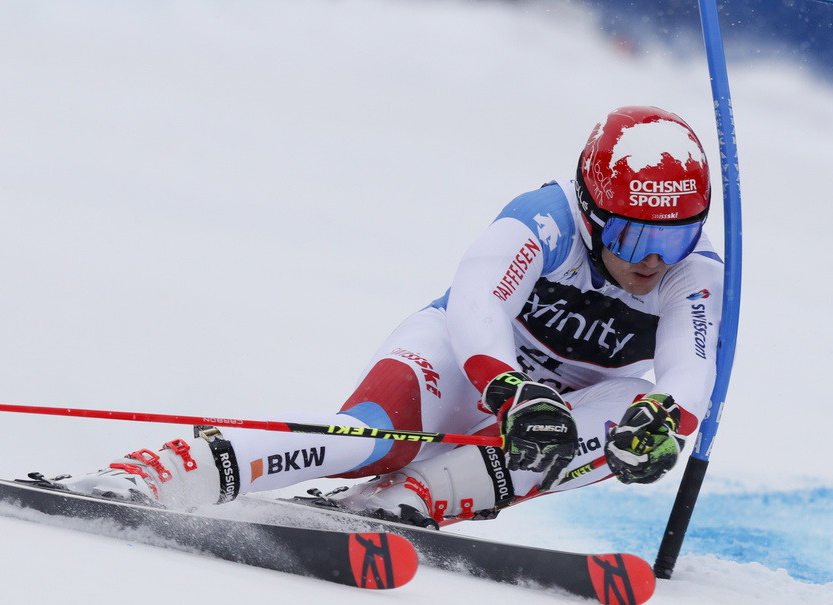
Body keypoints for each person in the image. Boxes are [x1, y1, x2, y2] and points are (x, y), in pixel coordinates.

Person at [51, 105, 723, 527]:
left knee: (637, 411)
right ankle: (168, 467)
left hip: (540, 422)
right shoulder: (546, 220)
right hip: (465, 363)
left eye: (677, 237)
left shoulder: (693, 276)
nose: (655, 259)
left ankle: (405, 500)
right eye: (637, 237)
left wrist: (667, 422)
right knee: (365, 439)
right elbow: (476, 301)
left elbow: (689, 372)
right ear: (592, 211)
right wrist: (510, 388)